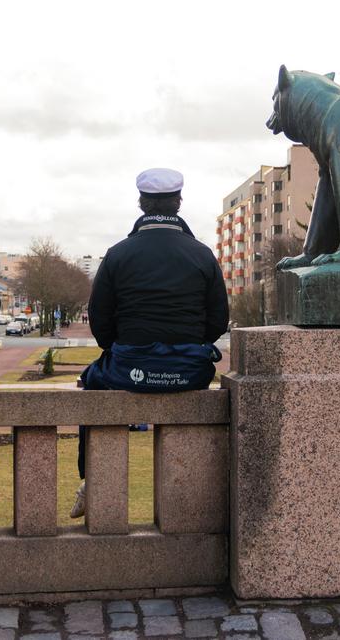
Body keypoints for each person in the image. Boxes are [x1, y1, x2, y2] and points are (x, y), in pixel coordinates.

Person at [70, 167, 229, 518]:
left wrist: (126, 348)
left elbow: (100, 325)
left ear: (142, 203)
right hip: (190, 373)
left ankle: (93, 479)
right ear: (179, 203)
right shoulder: (203, 254)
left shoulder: (117, 254)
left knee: (91, 381)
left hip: (129, 370)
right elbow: (218, 321)